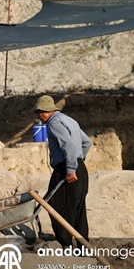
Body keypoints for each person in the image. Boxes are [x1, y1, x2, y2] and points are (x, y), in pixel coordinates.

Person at [33, 95, 92, 249]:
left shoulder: (54, 123)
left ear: (44, 111)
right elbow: (86, 142)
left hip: (66, 168)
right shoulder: (69, 120)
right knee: (78, 208)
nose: (38, 116)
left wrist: (71, 168)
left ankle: (65, 245)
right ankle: (83, 246)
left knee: (58, 206)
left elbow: (69, 146)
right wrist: (78, 162)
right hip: (79, 167)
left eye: (37, 113)